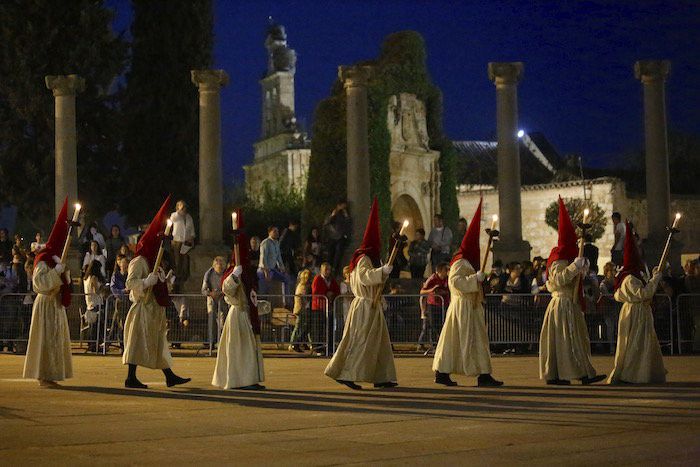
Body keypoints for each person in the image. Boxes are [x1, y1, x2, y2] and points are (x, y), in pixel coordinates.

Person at [325, 198, 397, 390]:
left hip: (373, 303)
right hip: (365, 305)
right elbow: (364, 277)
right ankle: (346, 372)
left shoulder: (369, 259)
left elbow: (375, 279)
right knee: (360, 340)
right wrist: (382, 271)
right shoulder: (363, 259)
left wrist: (383, 272)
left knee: (379, 342)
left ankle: (381, 376)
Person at [432, 199, 503, 387]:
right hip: (461, 307)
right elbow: (454, 282)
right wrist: (474, 279)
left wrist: (480, 280)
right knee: (453, 341)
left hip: (472, 306)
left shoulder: (469, 263)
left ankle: (483, 374)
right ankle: (442, 372)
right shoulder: (459, 262)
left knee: (478, 341)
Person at [122, 196, 190, 389]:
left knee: (159, 343)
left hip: (154, 310)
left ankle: (169, 376)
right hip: (142, 308)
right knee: (136, 343)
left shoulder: (155, 262)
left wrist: (161, 281)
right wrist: (145, 281)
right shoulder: (139, 261)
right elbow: (130, 282)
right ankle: (130, 378)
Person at [539, 197, 605, 385]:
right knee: (565, 340)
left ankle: (580, 372)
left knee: (574, 339)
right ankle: (566, 374)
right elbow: (558, 280)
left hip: (571, 303)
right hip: (562, 303)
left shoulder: (570, 256)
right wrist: (574, 268)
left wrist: (581, 271)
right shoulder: (559, 257)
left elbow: (572, 279)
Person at [22, 199, 74, 387]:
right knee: (46, 339)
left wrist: (64, 276)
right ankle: (43, 375)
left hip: (55, 303)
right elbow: (39, 283)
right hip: (46, 303)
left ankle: (52, 373)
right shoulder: (42, 260)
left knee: (54, 339)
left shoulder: (54, 259)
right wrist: (56, 272)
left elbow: (61, 279)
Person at [212, 209, 264, 390]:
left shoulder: (248, 270)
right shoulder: (234, 269)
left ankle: (251, 378)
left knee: (249, 349)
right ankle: (240, 380)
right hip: (238, 313)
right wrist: (234, 276)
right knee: (240, 350)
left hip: (247, 313)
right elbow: (226, 288)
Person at [608, 222, 666, 384]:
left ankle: (644, 372)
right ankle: (631, 374)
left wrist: (653, 276)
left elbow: (646, 289)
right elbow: (643, 293)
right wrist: (655, 280)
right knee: (633, 344)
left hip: (641, 313)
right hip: (635, 314)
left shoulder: (636, 275)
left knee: (643, 344)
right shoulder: (629, 278)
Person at [257, 226, 294, 308]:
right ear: (269, 232)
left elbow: (278, 257)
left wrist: (282, 268)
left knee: (286, 279)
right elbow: (263, 258)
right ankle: (260, 309)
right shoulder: (265, 243)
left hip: (272, 270)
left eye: (277, 231)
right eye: (274, 231)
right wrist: (266, 271)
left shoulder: (276, 243)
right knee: (264, 291)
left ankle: (286, 301)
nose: (277, 233)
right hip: (263, 270)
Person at [418, 262, 450, 351]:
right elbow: (422, 291)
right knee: (433, 325)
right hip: (433, 305)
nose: (447, 272)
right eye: (445, 270)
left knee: (443, 324)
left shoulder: (448, 279)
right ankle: (434, 345)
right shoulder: (432, 278)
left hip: (444, 304)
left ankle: (442, 343)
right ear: (439, 271)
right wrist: (432, 290)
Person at [311, 262, 340, 354]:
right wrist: (326, 293)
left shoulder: (332, 280)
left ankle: (329, 347)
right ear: (321, 270)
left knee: (330, 327)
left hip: (329, 307)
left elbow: (336, 290)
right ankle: (318, 347)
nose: (328, 272)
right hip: (319, 307)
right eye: (325, 270)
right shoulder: (317, 279)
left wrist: (332, 294)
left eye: (329, 270)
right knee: (318, 328)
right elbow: (316, 291)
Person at [169, 200, 195, 293]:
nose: (183, 207)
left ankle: (184, 276)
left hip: (186, 241)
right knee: (177, 260)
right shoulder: (175, 215)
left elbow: (191, 229)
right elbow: (172, 220)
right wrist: (179, 211)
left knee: (185, 260)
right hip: (177, 240)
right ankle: (177, 277)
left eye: (184, 206)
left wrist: (191, 237)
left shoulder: (188, 217)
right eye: (181, 206)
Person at [201, 256, 227, 348]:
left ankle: (223, 341)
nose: (219, 267)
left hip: (223, 298)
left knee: (224, 319)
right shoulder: (209, 274)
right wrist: (210, 293)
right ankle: (211, 341)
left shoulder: (226, 273)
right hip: (211, 298)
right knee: (211, 317)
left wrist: (222, 293)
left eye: (221, 265)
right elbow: (203, 290)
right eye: (217, 265)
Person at [323, 199, 352, 275]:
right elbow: (326, 223)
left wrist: (346, 216)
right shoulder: (332, 213)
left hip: (340, 237)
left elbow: (348, 224)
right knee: (330, 254)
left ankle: (334, 269)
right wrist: (332, 215)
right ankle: (328, 268)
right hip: (332, 236)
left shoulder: (344, 215)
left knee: (338, 253)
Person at [83, 260, 105, 353]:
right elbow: (96, 290)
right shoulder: (94, 278)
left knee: (93, 326)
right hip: (96, 303)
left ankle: (91, 344)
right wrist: (103, 288)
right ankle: (95, 344)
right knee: (97, 326)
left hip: (89, 303)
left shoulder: (86, 278)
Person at [290, 269, 312, 352]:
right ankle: (293, 343)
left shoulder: (304, 286)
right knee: (298, 327)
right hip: (301, 309)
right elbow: (301, 296)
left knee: (304, 326)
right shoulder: (301, 286)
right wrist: (305, 302)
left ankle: (302, 342)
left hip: (304, 308)